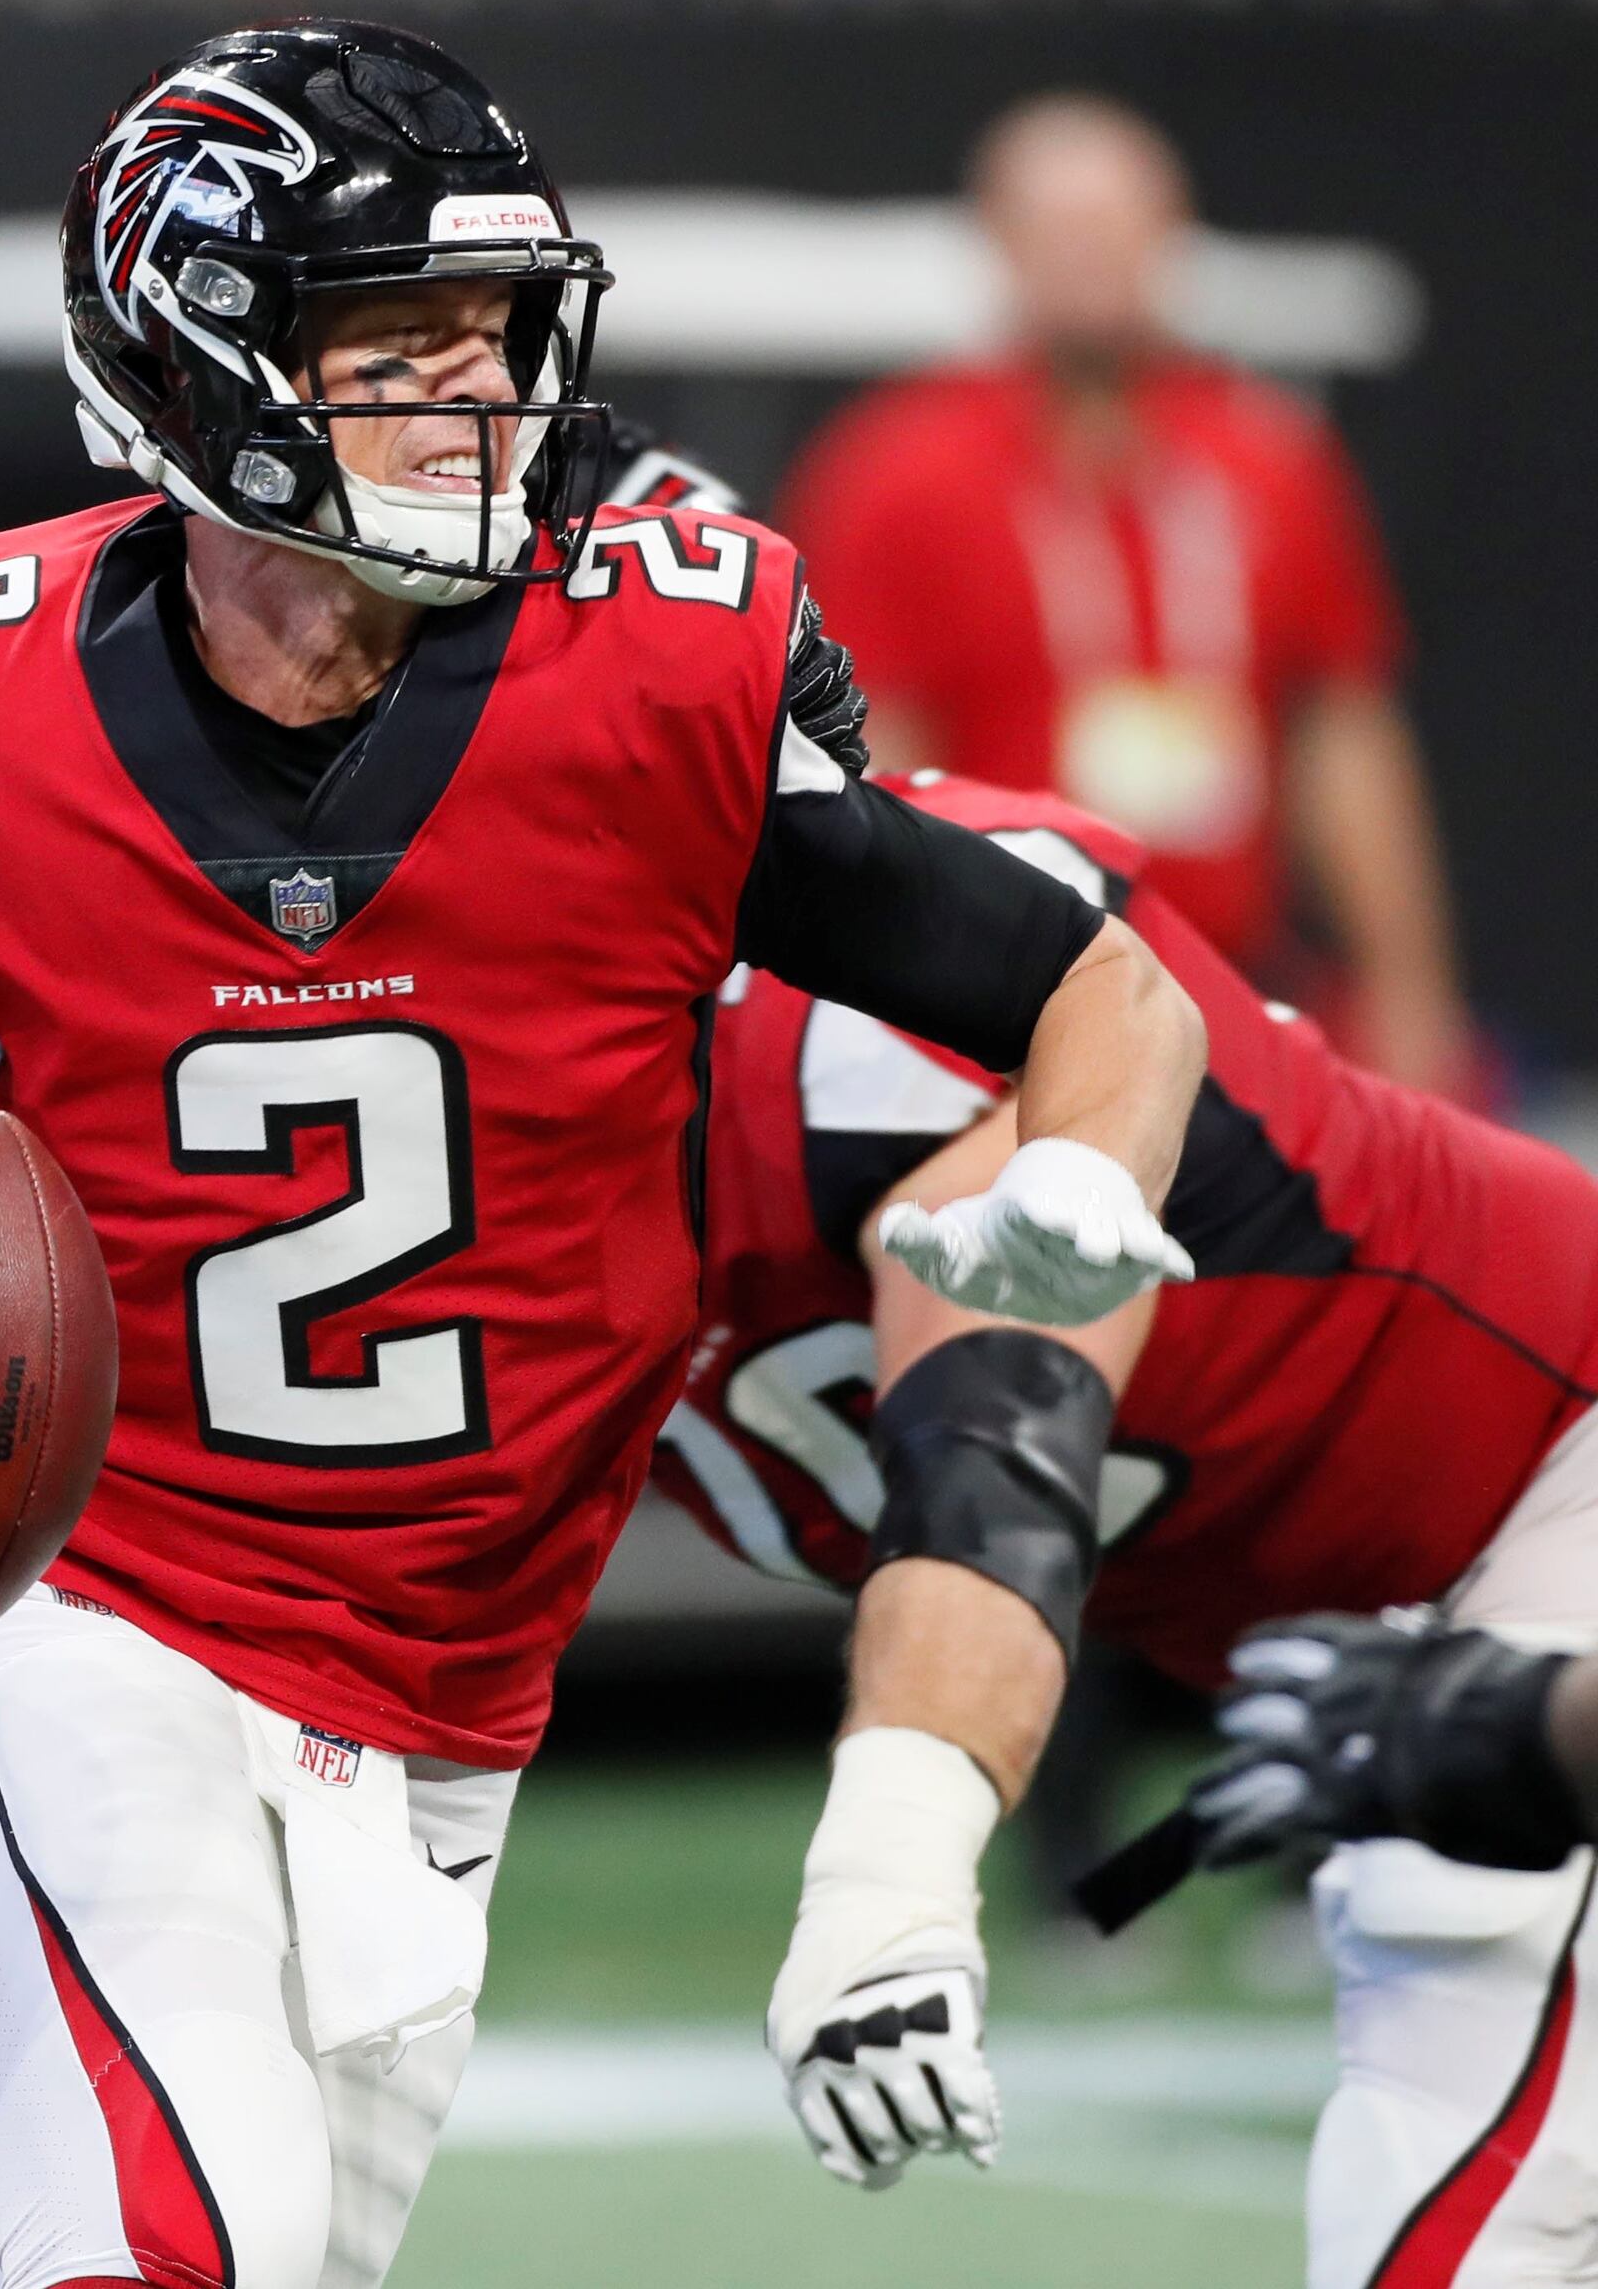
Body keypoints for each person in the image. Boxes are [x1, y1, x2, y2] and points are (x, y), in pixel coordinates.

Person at [0, 21, 1210, 2289]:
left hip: (443, 1703)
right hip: (82, 1609)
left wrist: (1072, 1210)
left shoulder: (652, 672)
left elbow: (1110, 996)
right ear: (194, 366)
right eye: (391, 347)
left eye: (492, 337)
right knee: (176, 2239)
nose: (472, 400)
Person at [650, 769, 1598, 2282]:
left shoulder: (871, 1013)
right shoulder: (434, 1137)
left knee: (1457, 2181)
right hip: (1392, 1619)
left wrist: (889, 1878)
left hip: (1554, 1460)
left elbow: (991, 1462)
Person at [775, 92, 1477, 1096]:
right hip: (996, 999)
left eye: (1116, 225)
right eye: (1060, 229)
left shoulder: (1269, 454)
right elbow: (865, 755)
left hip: (1237, 980)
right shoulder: (894, 471)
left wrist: (1412, 992)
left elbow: (1343, 737)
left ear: (1174, 236)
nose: (1091, 256)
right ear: (998, 244)